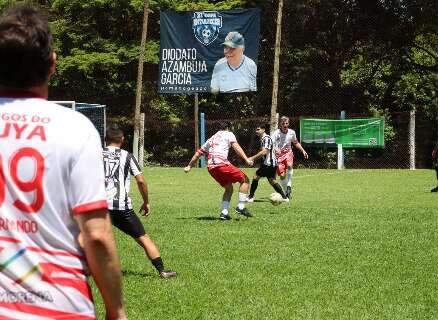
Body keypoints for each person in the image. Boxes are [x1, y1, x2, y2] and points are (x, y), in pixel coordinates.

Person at [0, 5, 126, 319]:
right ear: (52, 64)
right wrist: (116, 310)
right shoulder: (75, 127)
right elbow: (96, 234)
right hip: (59, 304)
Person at [103, 125, 177, 278]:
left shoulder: (93, 155)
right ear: (122, 140)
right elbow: (141, 181)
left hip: (98, 206)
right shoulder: (128, 156)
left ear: (105, 140)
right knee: (143, 238)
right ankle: (162, 270)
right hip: (122, 208)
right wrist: (146, 202)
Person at [184, 121, 254, 220]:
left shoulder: (211, 139)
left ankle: (224, 213)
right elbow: (236, 147)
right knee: (245, 180)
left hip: (211, 168)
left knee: (229, 188)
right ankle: (241, 207)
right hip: (221, 164)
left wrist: (189, 166)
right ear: (228, 128)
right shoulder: (228, 134)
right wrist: (246, 159)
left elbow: (198, 153)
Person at [246, 124, 289, 203]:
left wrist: (252, 158)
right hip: (270, 163)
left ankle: (250, 197)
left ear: (263, 130)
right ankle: (284, 197)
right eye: (256, 130)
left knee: (256, 177)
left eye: (258, 129)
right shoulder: (263, 138)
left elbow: (264, 152)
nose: (256, 131)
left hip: (268, 164)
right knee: (271, 180)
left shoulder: (266, 138)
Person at [271, 116, 309, 199]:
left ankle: (289, 185)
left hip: (288, 153)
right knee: (282, 175)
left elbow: (295, 142)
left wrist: (303, 151)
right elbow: (271, 144)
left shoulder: (292, 132)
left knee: (289, 165)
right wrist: (275, 149)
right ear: (280, 124)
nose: (285, 125)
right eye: (283, 123)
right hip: (278, 156)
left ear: (288, 123)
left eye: (286, 123)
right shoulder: (276, 133)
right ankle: (286, 193)